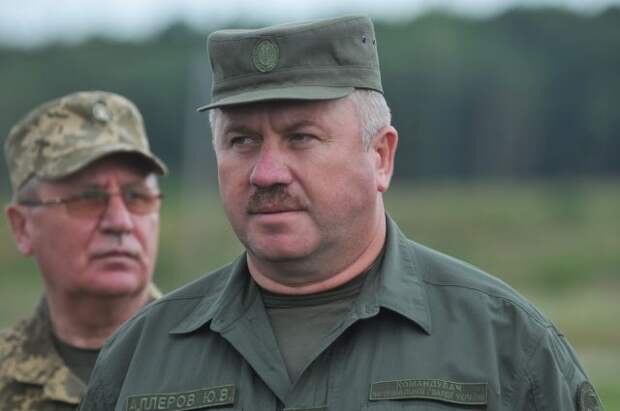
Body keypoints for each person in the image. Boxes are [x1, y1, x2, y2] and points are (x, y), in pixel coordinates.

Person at [80, 16, 603, 411]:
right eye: (241, 141)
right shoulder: (139, 359)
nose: (266, 173)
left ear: (380, 157)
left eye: (301, 137)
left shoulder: (504, 344)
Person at [0, 90, 168, 411]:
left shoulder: (221, 360)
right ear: (22, 227)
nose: (120, 222)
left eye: (136, 196)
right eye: (87, 199)